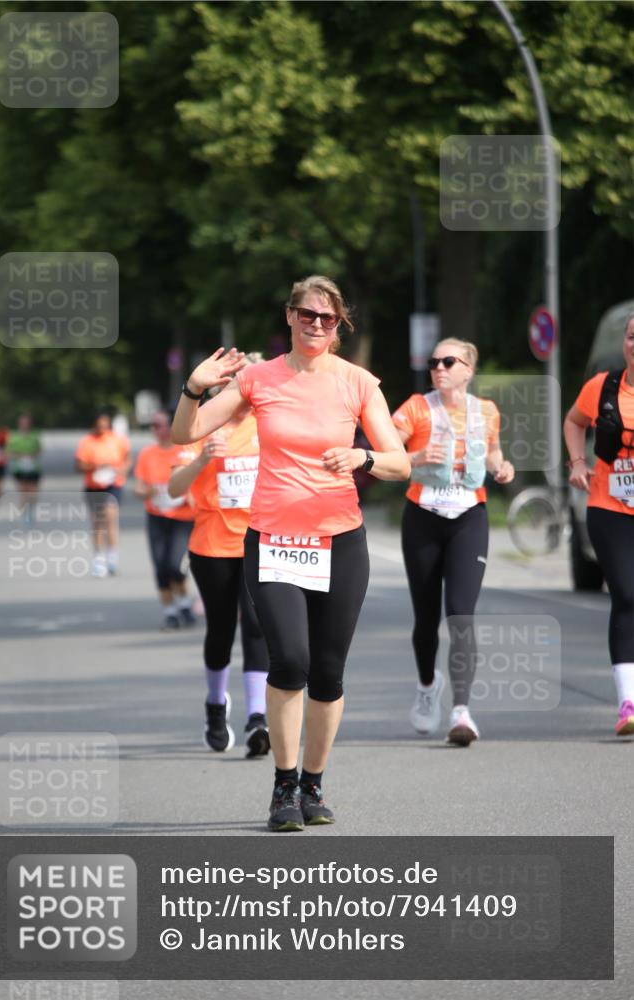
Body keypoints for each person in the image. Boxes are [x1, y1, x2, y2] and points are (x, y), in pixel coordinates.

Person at [172, 275, 410, 831]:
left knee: (328, 671)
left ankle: (314, 784)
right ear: (289, 317)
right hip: (275, 540)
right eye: (307, 314)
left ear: (339, 325)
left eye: (327, 318)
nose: (316, 325)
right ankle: (283, 788)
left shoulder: (357, 383)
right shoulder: (259, 378)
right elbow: (187, 433)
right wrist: (193, 387)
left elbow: (400, 462)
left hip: (340, 540)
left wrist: (363, 459)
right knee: (290, 661)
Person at [393, 338, 515, 746]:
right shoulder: (415, 408)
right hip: (423, 518)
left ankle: (461, 712)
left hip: (469, 517)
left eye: (448, 361)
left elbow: (494, 452)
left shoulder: (487, 412)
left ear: (468, 369)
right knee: (426, 618)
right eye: (434, 362)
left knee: (461, 614)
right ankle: (428, 687)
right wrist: (415, 458)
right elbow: (386, 452)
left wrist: (502, 467)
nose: (439, 368)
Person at [168, 354, 270, 757]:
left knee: (259, 627)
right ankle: (215, 704)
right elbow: (175, 488)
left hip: (261, 542)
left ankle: (257, 717)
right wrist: (204, 457)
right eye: (234, 384)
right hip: (212, 546)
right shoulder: (200, 425)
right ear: (219, 388)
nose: (243, 394)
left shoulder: (268, 425)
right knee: (221, 630)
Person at [564, 312, 634, 737]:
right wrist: (577, 462)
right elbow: (574, 422)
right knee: (627, 594)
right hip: (609, 505)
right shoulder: (602, 387)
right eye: (631, 337)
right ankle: (628, 702)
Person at [133, 410, 199, 630]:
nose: (155, 429)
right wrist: (148, 492)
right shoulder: (147, 453)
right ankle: (171, 612)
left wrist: (185, 495)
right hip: (157, 515)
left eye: (158, 425)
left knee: (175, 565)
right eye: (152, 425)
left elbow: (197, 483)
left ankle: (184, 604)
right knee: (161, 567)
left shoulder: (185, 450)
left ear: (171, 426)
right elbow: (139, 488)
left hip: (183, 516)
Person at [75, 410, 131, 577]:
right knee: (98, 523)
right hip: (94, 485)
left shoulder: (117, 440)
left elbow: (127, 459)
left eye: (105, 425)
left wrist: (123, 470)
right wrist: (96, 466)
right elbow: (78, 466)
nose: (103, 429)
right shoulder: (87, 442)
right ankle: (99, 560)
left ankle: (112, 557)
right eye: (99, 426)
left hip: (113, 484)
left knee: (111, 519)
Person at [8, 413, 42, 523]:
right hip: (19, 468)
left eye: (27, 423)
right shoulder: (13, 435)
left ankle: (30, 509)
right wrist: (19, 456)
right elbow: (8, 452)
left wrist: (32, 455)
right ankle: (24, 514)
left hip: (33, 467)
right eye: (23, 423)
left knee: (33, 492)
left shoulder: (35, 435)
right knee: (23, 491)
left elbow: (39, 449)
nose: (25, 425)